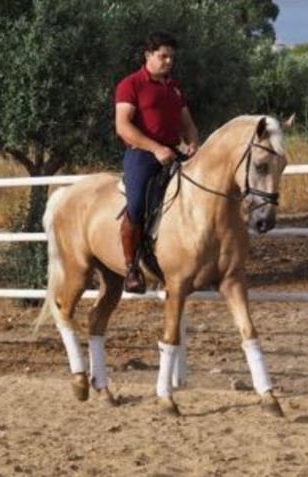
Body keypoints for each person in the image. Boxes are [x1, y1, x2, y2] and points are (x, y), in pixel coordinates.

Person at [114, 31, 200, 293]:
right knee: (137, 203)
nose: (168, 62)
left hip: (173, 153)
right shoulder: (131, 84)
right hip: (142, 154)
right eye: (163, 56)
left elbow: (188, 125)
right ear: (148, 55)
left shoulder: (174, 87)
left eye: (172, 57)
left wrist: (194, 143)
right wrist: (155, 148)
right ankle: (131, 268)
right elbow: (123, 126)